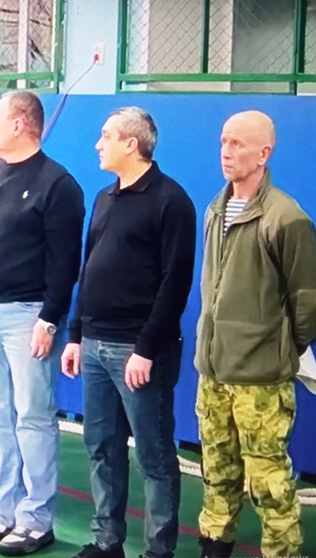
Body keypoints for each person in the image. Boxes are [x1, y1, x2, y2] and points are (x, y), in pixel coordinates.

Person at [61, 107, 196, 558]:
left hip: (138, 350)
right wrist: (76, 334)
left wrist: (146, 348)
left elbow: (175, 282)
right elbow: (89, 268)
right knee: (101, 446)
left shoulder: (170, 201)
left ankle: (158, 551)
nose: (98, 144)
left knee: (154, 456)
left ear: (131, 144)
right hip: (95, 344)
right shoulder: (105, 198)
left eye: (106, 136)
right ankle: (107, 541)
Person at [194, 111, 316, 558]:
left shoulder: (286, 219)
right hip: (213, 371)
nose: (226, 152)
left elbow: (308, 300)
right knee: (216, 468)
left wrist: (281, 349)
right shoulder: (215, 210)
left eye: (237, 144)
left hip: (261, 382)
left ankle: (283, 551)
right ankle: (215, 543)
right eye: (223, 142)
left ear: (264, 153)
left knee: (268, 481)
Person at [0, 91, 85, 556]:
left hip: (27, 315)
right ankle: (4, 509)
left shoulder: (58, 185)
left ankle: (36, 519)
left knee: (32, 415)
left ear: (18, 124)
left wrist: (50, 319)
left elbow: (65, 261)